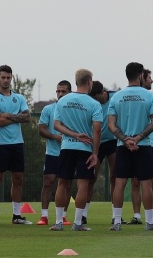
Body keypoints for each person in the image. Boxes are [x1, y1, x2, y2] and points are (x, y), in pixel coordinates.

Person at [107, 62, 153, 231]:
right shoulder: (149, 96)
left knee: (120, 183)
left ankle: (117, 222)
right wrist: (138, 138)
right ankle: (149, 222)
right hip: (143, 146)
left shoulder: (116, 97)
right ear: (140, 76)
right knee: (146, 183)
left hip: (122, 146)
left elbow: (111, 125)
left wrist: (126, 140)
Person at [51, 69, 103, 231]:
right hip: (85, 149)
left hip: (66, 147)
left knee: (62, 183)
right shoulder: (94, 104)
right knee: (83, 184)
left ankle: (58, 222)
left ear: (76, 82)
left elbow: (56, 125)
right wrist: (95, 153)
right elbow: (97, 130)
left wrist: (73, 135)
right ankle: (78, 223)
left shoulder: (63, 101)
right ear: (89, 82)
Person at [0, 65, 31, 225]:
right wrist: (16, 117)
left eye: (8, 77)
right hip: (0, 144)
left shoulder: (19, 98)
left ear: (11, 78)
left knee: (18, 178)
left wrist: (6, 115)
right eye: (3, 77)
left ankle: (16, 216)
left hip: (17, 143)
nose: (6, 80)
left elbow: (27, 117)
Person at [37, 80, 71, 226]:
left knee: (67, 183)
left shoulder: (72, 110)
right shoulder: (48, 109)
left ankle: (63, 216)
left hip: (68, 151)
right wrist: (53, 136)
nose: (60, 94)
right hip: (52, 152)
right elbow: (41, 129)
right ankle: (44, 216)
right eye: (58, 91)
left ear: (70, 93)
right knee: (48, 181)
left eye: (63, 91)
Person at [88, 81, 116, 224]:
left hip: (113, 142)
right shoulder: (91, 103)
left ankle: (116, 215)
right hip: (96, 143)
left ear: (102, 93)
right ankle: (83, 215)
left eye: (95, 97)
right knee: (91, 178)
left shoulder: (115, 97)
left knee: (114, 178)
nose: (94, 101)